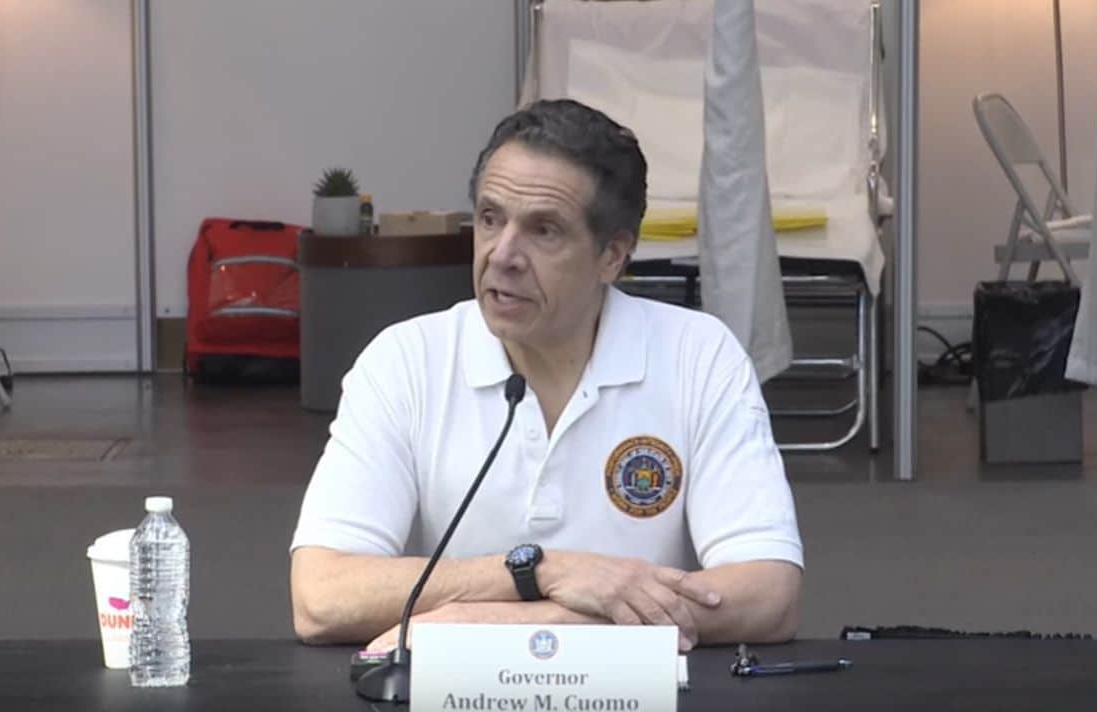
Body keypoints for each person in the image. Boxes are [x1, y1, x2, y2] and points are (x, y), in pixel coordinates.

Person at [290, 99, 802, 653]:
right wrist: (540, 571)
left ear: (612, 256)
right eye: (490, 219)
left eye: (544, 230)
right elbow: (321, 596)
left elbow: (768, 593)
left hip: (638, 690)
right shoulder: (405, 361)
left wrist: (512, 623)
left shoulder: (698, 356)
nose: (502, 255)